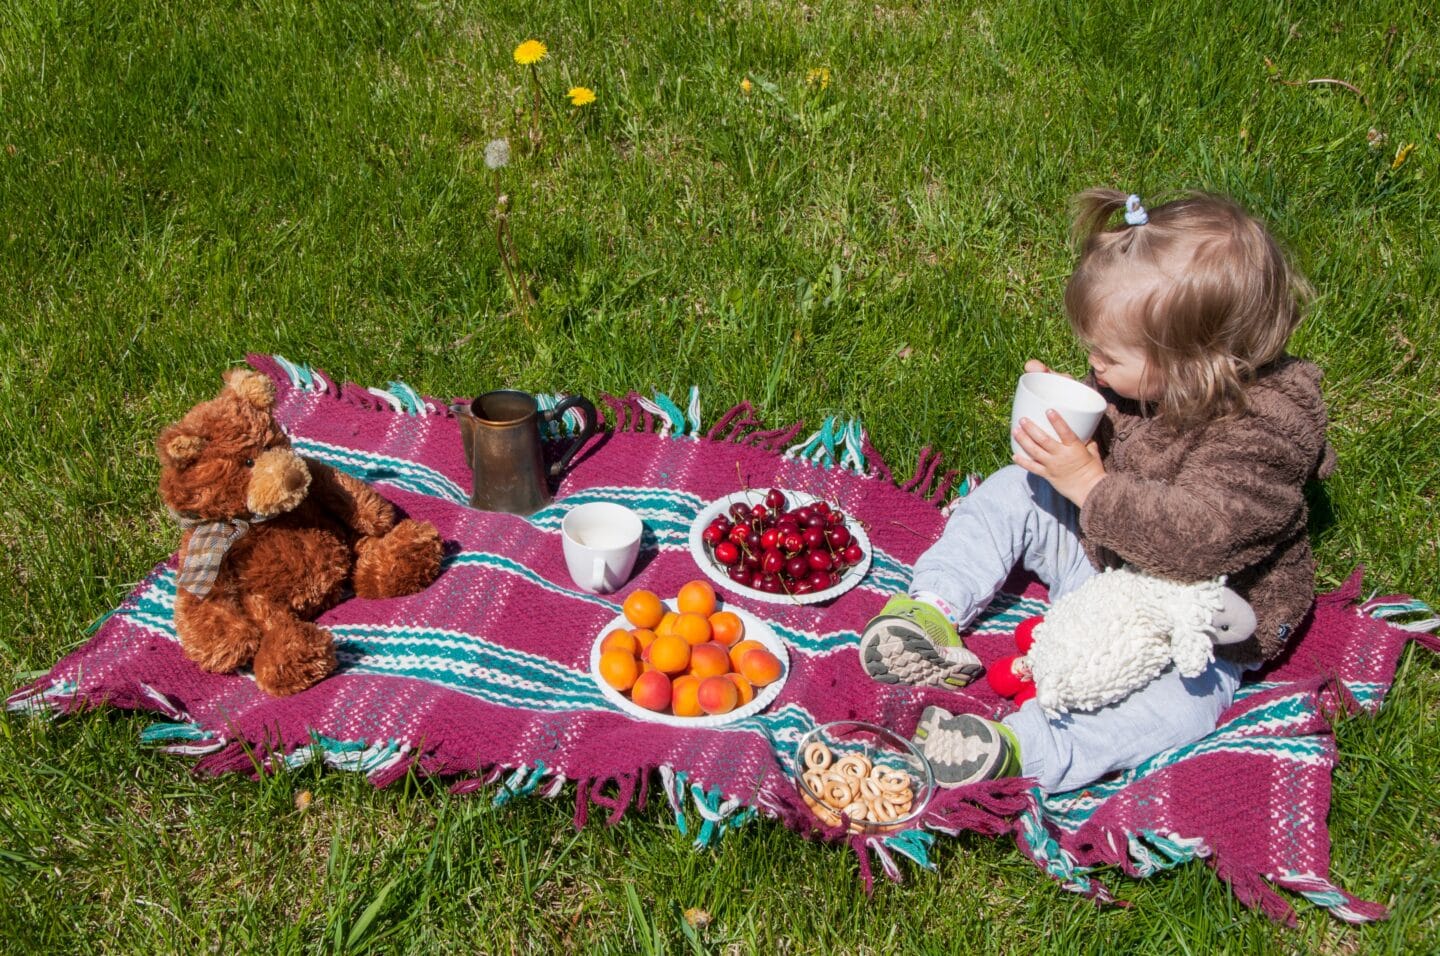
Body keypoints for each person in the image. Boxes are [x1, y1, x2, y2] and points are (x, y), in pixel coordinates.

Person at [858, 189, 1335, 793]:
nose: (1093, 364)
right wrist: (1065, 414)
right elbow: (1108, 427)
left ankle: (1020, 748)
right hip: (1103, 557)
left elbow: (1201, 542)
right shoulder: (1154, 377)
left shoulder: (1265, 434)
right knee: (1015, 493)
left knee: (1181, 705)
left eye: (1106, 356)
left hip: (1193, 624)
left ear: (1191, 365)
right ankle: (929, 611)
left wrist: (1088, 483)